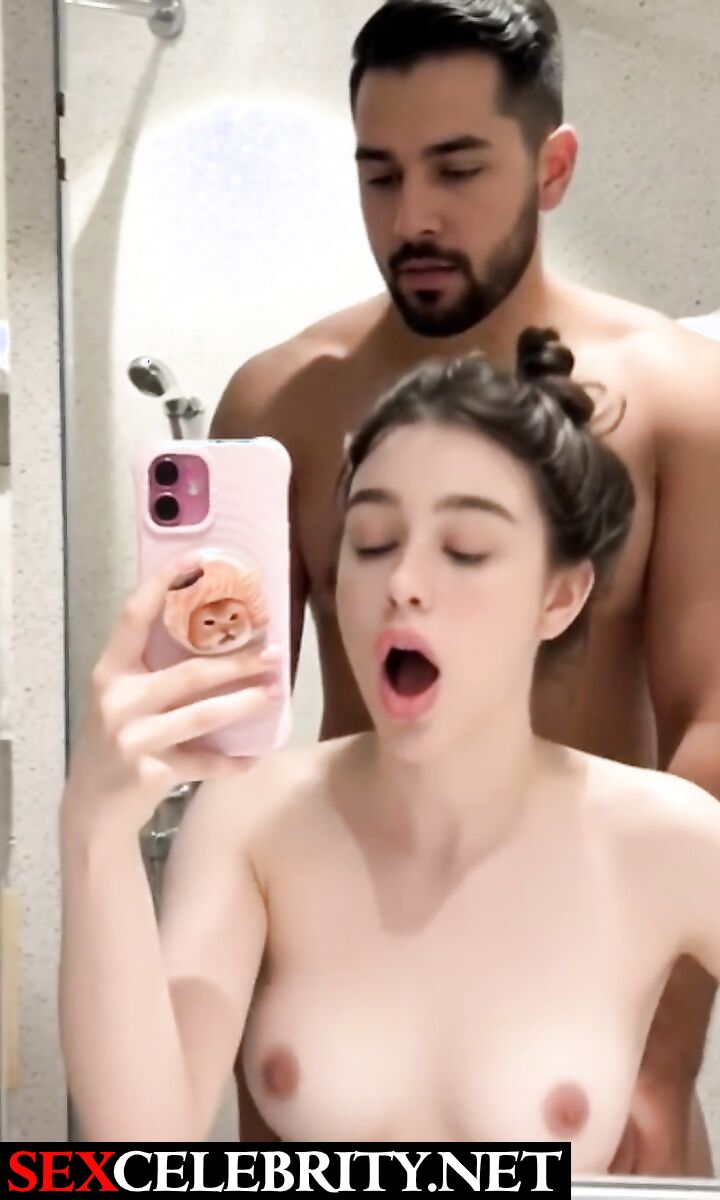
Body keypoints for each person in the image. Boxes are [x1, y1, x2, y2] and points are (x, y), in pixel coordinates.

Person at [210, 0, 720, 1174]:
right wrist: (254, 1054)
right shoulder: (282, 403)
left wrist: (660, 1056)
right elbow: (231, 749)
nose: (413, 220)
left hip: (583, 1011)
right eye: (379, 175)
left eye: (457, 169)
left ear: (553, 168)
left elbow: (714, 725)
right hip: (349, 995)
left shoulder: (678, 397)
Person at [59, 332, 720, 1175]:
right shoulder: (254, 819)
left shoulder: (666, 839)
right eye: (371, 541)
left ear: (559, 595)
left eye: (465, 549)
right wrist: (94, 833)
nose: (401, 582)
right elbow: (139, 1156)